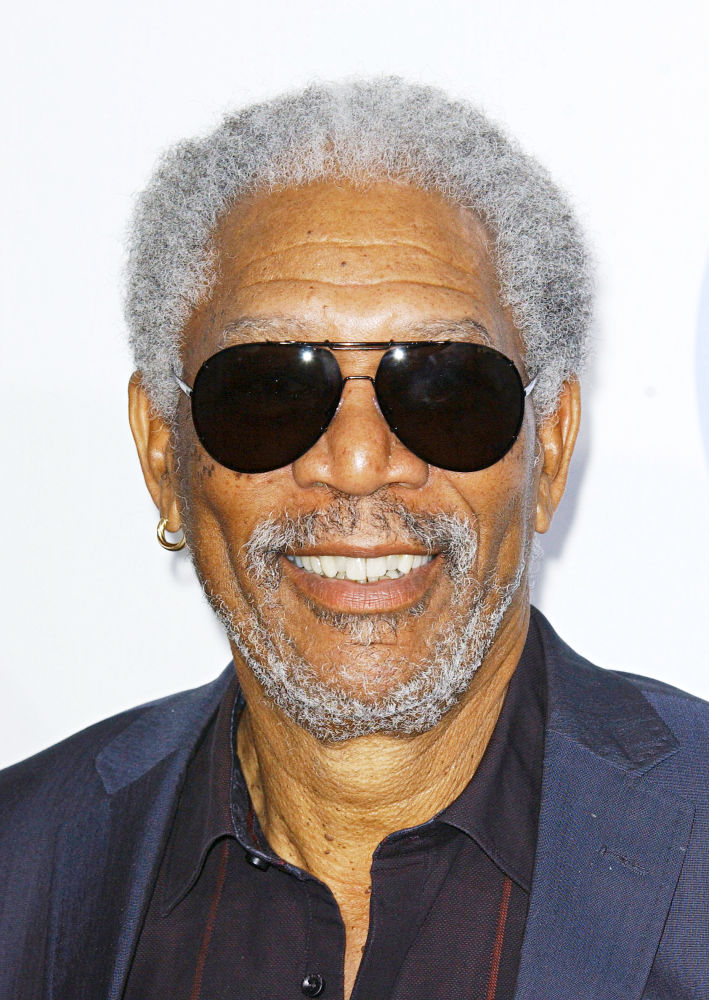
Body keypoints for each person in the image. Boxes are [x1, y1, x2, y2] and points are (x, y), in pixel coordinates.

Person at [1, 78, 707, 1000]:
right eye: (269, 390)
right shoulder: (23, 861)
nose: (361, 462)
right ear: (162, 453)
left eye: (446, 388)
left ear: (551, 448)